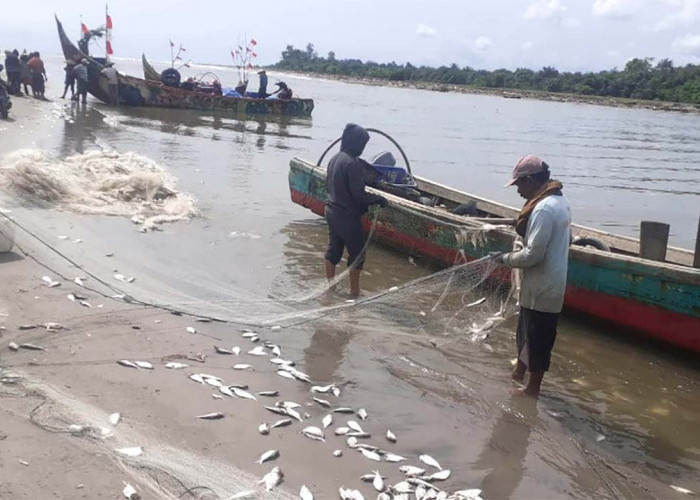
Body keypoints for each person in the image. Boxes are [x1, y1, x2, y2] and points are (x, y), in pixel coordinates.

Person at [495, 155, 571, 398]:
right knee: (525, 332)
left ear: (530, 180)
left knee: (538, 339)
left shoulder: (544, 209)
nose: (517, 190)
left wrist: (504, 258)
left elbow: (532, 256)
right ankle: (519, 372)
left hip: (543, 286)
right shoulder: (560, 201)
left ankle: (531, 391)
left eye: (519, 184)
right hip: (542, 284)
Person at [324, 123, 388, 297]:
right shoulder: (351, 164)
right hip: (347, 217)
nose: (362, 149)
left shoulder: (335, 158)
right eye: (362, 144)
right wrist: (378, 199)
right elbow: (358, 195)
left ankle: (331, 287)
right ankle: (354, 292)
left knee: (334, 250)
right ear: (356, 143)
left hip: (331, 211)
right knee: (357, 254)